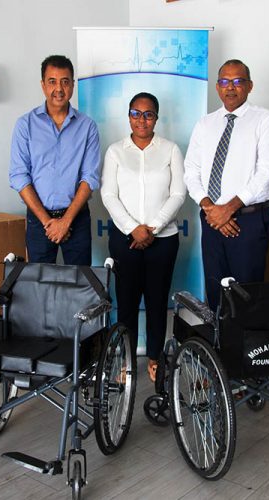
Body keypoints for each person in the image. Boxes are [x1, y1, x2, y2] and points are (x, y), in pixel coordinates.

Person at [184, 59, 269, 311]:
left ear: (249, 86)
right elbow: (191, 171)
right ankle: (218, 350)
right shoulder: (205, 123)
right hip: (211, 221)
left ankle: (243, 351)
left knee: (246, 297)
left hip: (248, 222)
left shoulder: (265, 120)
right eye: (225, 82)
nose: (231, 87)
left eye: (238, 81)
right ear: (217, 87)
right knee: (215, 294)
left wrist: (229, 208)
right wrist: (210, 208)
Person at [101, 92, 186, 382]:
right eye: (136, 113)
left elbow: (178, 193)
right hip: (125, 240)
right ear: (128, 116)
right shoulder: (115, 151)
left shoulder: (171, 149)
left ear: (156, 118)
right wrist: (132, 228)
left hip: (162, 241)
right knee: (125, 302)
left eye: (148, 114)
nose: (142, 120)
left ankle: (154, 358)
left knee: (157, 302)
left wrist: (153, 228)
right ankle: (125, 360)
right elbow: (108, 194)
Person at [9, 55, 101, 265]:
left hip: (76, 220)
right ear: (43, 85)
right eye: (52, 81)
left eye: (65, 81)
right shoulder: (25, 125)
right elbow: (19, 176)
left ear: (73, 85)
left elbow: (90, 177)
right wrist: (49, 222)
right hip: (38, 219)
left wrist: (66, 221)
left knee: (80, 289)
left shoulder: (87, 127)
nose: (59, 88)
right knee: (40, 288)